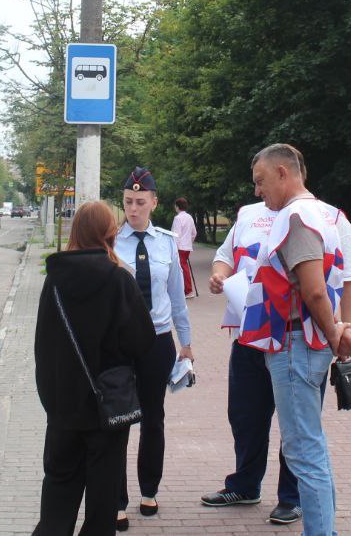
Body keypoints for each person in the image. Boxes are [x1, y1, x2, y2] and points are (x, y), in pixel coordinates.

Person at [201, 153, 351, 526]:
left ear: (282, 173)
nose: (257, 190)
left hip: (294, 342)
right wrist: (340, 331)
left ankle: (319, 529)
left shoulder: (297, 217)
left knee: (303, 448)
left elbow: (315, 292)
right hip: (290, 341)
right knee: (309, 444)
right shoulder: (324, 216)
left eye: (261, 180)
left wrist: (337, 331)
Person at [33, 201, 154, 536]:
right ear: (109, 233)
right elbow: (142, 342)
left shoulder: (54, 281)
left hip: (63, 409)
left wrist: (52, 401)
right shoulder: (119, 280)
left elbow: (43, 345)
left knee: (58, 492)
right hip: (107, 410)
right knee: (102, 502)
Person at [113, 167, 193, 530]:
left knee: (153, 418)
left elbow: (177, 298)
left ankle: (149, 489)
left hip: (158, 341)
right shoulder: (111, 241)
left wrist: (186, 344)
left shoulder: (166, 242)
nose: (133, 209)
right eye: (128, 202)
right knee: (117, 419)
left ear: (154, 202)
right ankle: (116, 499)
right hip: (119, 342)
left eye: (140, 202)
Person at [170, 197, 197, 298]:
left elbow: (176, 235)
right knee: (183, 267)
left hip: (179, 247)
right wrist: (189, 242)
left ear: (177, 206)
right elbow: (194, 233)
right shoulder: (189, 217)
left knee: (181, 268)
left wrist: (174, 248)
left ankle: (188, 291)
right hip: (186, 247)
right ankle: (185, 290)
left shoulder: (177, 218)